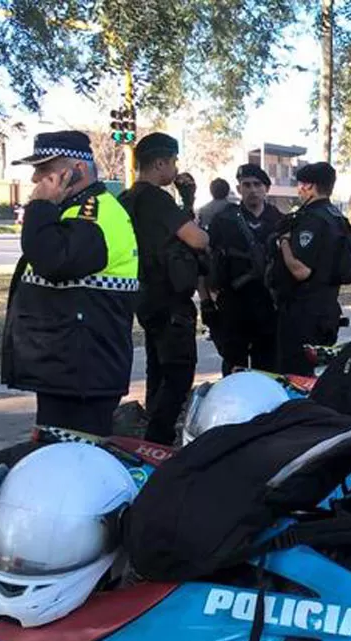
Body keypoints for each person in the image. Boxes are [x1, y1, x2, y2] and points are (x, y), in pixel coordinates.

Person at [3, 131, 139, 436]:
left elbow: (52, 260)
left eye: (46, 168)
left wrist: (39, 208)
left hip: (83, 371)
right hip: (69, 367)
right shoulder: (75, 209)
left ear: (76, 170)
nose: (37, 178)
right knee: (60, 455)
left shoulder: (95, 214)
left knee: (72, 464)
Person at [119, 133, 208, 446]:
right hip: (169, 295)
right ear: (160, 163)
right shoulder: (156, 198)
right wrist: (187, 203)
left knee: (158, 366)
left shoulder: (126, 198)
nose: (175, 168)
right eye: (173, 162)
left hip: (143, 295)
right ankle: (158, 438)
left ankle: (152, 434)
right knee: (179, 372)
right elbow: (197, 239)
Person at [272, 161, 346, 376]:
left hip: (303, 312)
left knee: (295, 375)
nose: (299, 189)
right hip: (328, 308)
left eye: (301, 184)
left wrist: (284, 241)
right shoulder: (338, 218)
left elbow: (300, 270)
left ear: (309, 186)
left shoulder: (311, 219)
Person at [208, 163, 282, 371]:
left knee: (268, 369)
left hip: (269, 305)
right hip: (234, 303)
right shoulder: (223, 220)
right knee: (234, 367)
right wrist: (207, 300)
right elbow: (207, 260)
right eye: (246, 185)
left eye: (257, 185)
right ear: (239, 188)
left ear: (266, 188)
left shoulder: (279, 220)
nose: (252, 190)